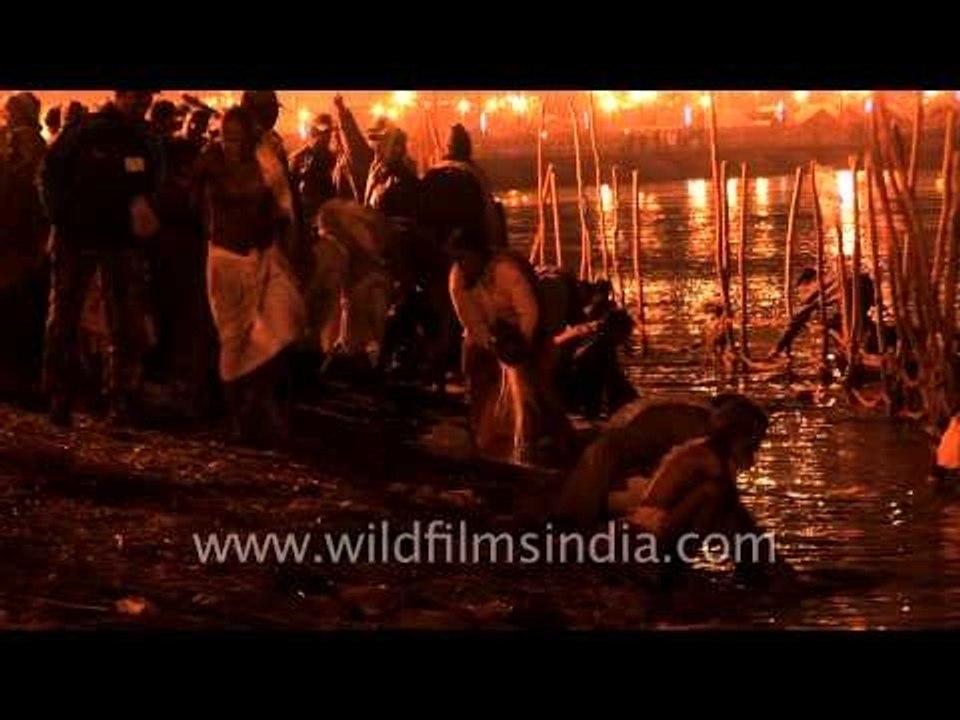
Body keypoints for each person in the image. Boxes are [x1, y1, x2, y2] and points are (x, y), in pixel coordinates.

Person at [40, 90, 162, 427]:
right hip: (77, 238)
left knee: (124, 323)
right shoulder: (83, 131)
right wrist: (63, 220)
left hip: (120, 241)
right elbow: (50, 176)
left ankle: (118, 399)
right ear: (120, 96)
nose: (143, 103)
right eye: (138, 97)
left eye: (146, 98)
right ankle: (60, 396)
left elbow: (153, 182)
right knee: (65, 318)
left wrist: (143, 206)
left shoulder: (144, 138)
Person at [197, 106, 305, 447]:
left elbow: (285, 209)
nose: (232, 145)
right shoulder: (210, 160)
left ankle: (257, 404)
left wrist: (288, 247)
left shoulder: (266, 164)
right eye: (227, 138)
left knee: (280, 328)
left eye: (238, 139)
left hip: (263, 257)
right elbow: (188, 194)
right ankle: (238, 419)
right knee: (232, 339)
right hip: (225, 260)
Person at [448, 226, 573, 465]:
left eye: (464, 257)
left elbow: (529, 312)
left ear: (477, 254)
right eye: (457, 259)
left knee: (537, 384)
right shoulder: (458, 280)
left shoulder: (506, 271)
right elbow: (471, 320)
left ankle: (546, 435)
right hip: (487, 334)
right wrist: (491, 345)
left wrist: (520, 346)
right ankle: (483, 434)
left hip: (524, 333)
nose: (461, 264)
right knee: (475, 371)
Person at [553, 393, 764, 529]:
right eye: (754, 443)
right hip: (616, 490)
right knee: (712, 496)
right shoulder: (703, 435)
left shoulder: (689, 413)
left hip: (600, 483)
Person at [770, 266, 891, 358]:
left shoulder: (815, 288)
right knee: (855, 320)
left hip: (853, 295)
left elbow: (797, 320)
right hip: (866, 285)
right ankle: (874, 342)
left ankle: (853, 347)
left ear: (806, 283)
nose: (801, 296)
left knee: (829, 324)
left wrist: (778, 347)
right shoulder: (832, 276)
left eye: (800, 292)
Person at [290, 113, 337, 229]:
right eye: (324, 132)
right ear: (314, 132)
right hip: (309, 215)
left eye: (329, 132)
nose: (327, 136)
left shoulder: (334, 157)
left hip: (328, 215)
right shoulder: (301, 157)